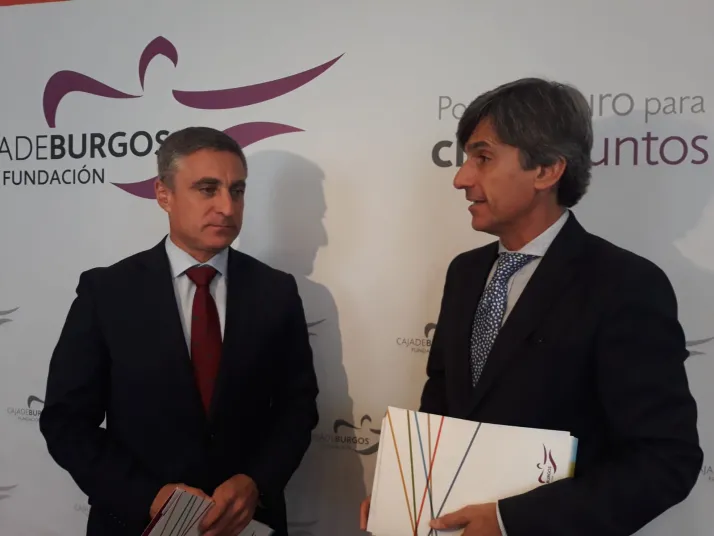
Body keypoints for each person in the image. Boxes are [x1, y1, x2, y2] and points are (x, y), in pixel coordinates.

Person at [360, 78, 703, 536]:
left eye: (483, 158)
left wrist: (510, 522)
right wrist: (405, 492)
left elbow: (665, 461)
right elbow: (442, 402)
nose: (461, 178)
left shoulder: (625, 285)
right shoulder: (464, 273)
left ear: (546, 170)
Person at [39, 126, 319, 536]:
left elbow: (297, 407)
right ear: (163, 193)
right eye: (207, 189)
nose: (227, 207)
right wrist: (148, 497)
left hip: (246, 523)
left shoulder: (276, 291)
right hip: (135, 523)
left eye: (237, 190)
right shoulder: (107, 292)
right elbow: (67, 423)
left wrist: (256, 482)